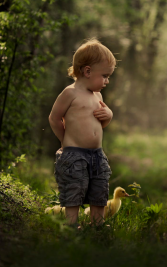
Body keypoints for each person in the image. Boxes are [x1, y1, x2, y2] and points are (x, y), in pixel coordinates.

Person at [48, 38, 116, 227]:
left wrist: (108, 115)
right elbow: (54, 118)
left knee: (99, 187)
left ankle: (98, 224)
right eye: (104, 75)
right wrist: (65, 141)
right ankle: (71, 224)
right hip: (74, 155)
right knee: (74, 187)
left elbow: (98, 125)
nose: (107, 81)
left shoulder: (98, 96)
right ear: (87, 71)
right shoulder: (70, 93)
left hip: (97, 154)